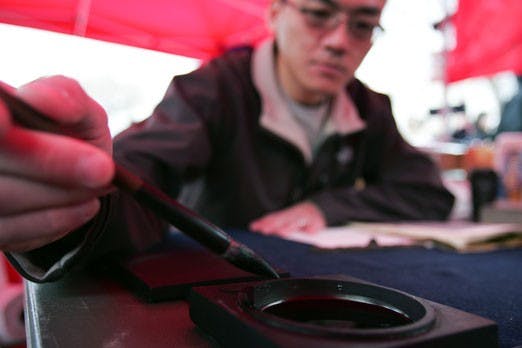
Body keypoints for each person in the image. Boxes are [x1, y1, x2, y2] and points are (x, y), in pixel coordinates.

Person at [0, 0, 454, 282]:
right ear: (275, 13)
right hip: (213, 296)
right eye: (318, 13)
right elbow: (142, 173)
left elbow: (427, 190)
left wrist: (326, 208)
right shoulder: (211, 92)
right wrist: (76, 215)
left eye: (362, 24)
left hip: (325, 297)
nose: (339, 42)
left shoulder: (370, 109)